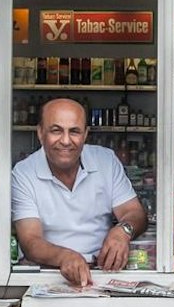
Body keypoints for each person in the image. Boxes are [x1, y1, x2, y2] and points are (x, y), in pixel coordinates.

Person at [12, 98, 150, 287]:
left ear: (85, 135)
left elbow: (134, 213)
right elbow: (30, 241)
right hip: (47, 274)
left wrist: (123, 231)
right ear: (40, 133)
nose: (65, 141)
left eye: (74, 131)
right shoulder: (24, 172)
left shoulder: (105, 160)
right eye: (56, 130)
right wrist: (65, 257)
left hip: (103, 272)